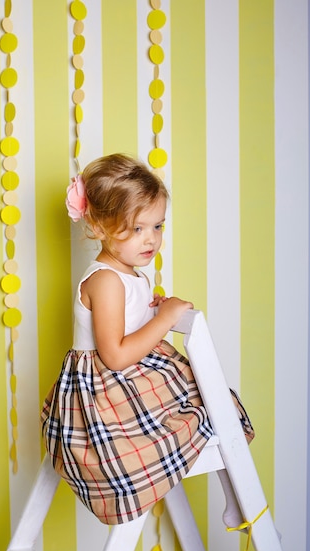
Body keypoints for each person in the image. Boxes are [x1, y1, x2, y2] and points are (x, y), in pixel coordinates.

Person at [41, 153, 254, 526]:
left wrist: (153, 310)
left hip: (139, 376)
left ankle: (236, 496)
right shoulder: (105, 280)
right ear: (100, 226)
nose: (151, 239)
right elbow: (116, 355)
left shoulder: (130, 274)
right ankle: (237, 496)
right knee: (197, 416)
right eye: (137, 229)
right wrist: (166, 319)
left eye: (158, 226)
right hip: (109, 391)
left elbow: (128, 323)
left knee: (217, 404)